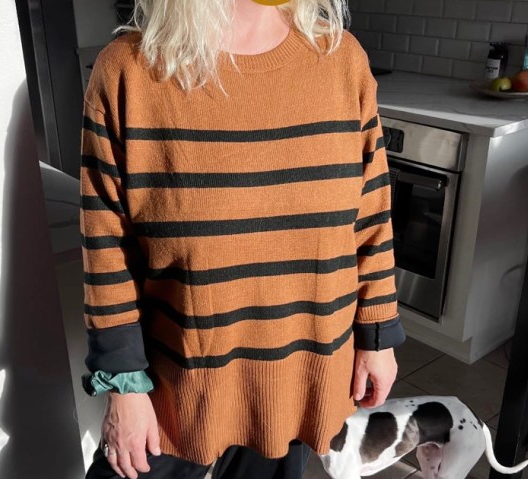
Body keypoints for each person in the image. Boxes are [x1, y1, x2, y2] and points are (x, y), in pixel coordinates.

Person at [78, 1, 405, 478]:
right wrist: (124, 387)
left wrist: (377, 337)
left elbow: (371, 215)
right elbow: (106, 249)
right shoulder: (129, 71)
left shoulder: (342, 61)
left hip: (298, 375)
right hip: (178, 383)